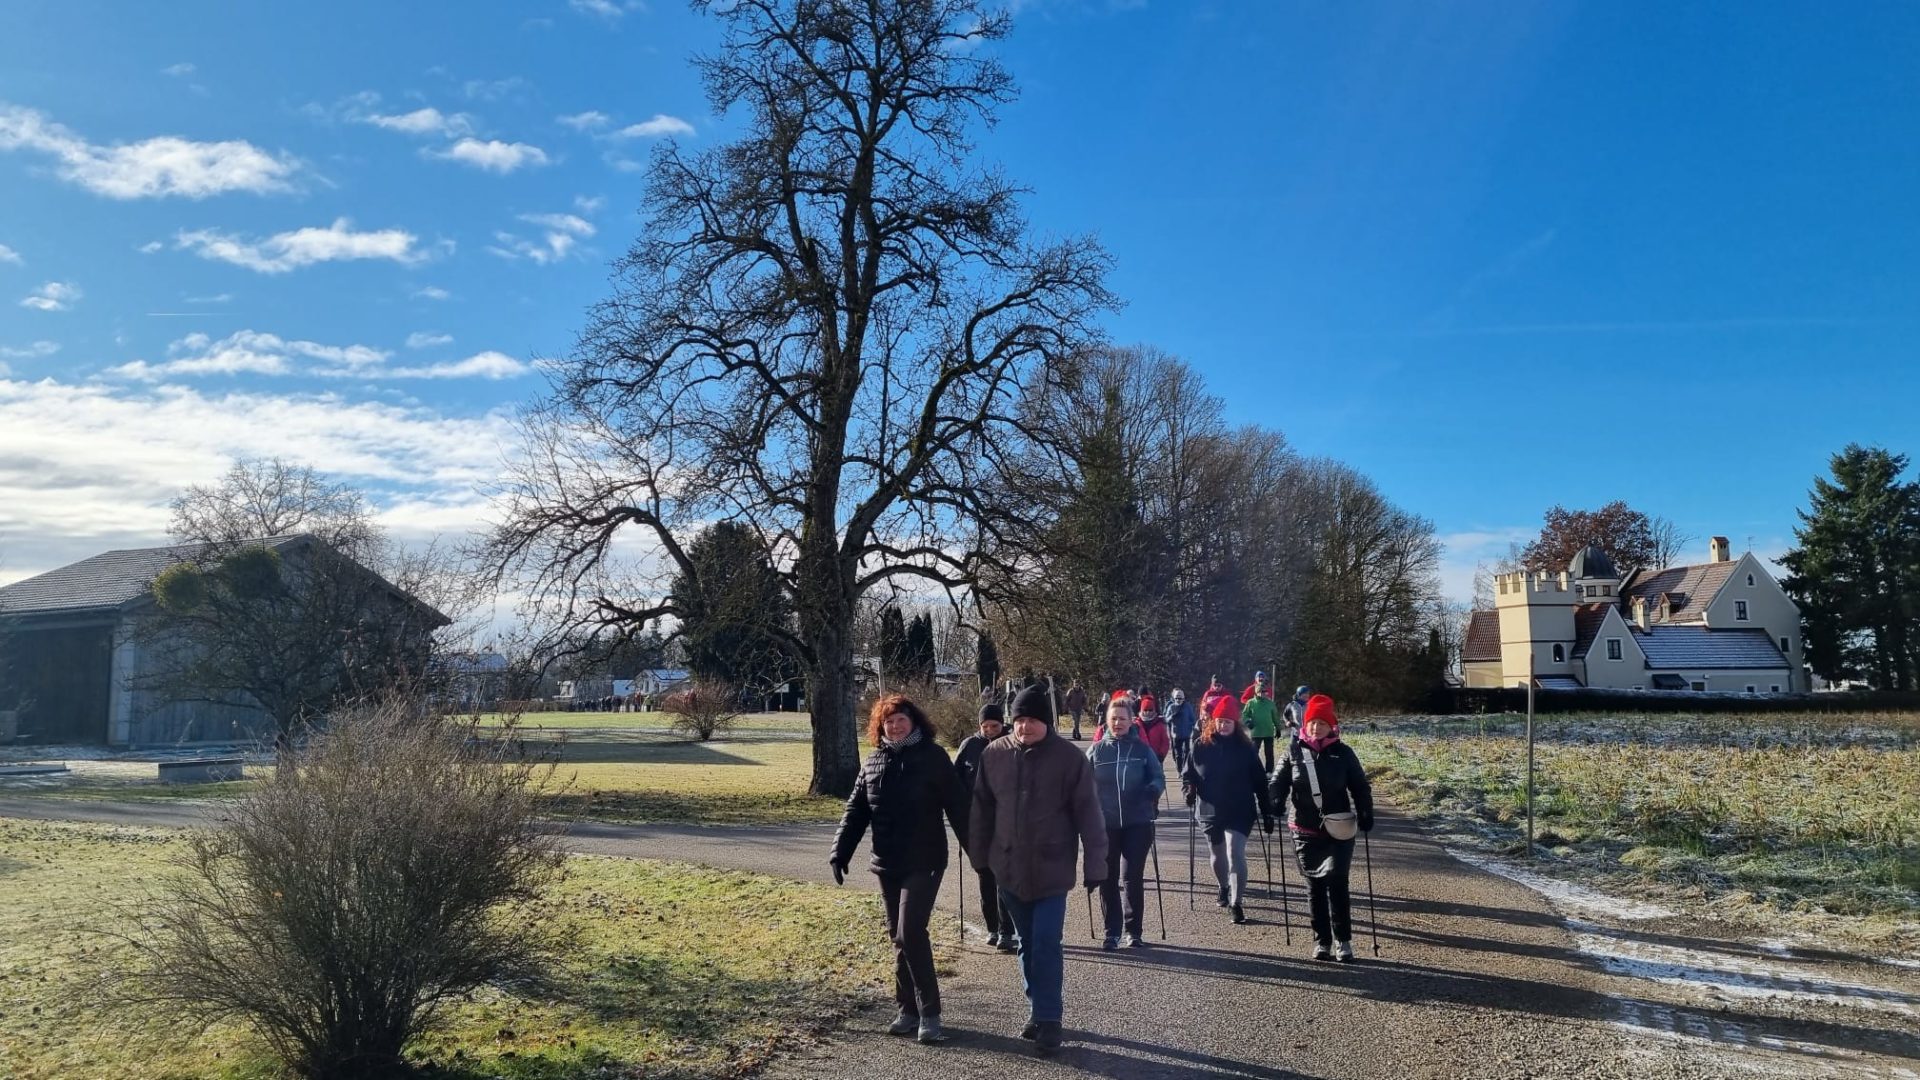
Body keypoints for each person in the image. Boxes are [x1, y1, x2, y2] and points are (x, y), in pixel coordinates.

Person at [969, 683, 1107, 1055]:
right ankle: (1037, 1006)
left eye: (1032, 720)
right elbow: (981, 810)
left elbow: (1089, 814)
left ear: (1047, 721)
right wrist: (980, 858)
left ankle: (1049, 1018)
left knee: (1046, 941)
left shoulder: (1069, 759)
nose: (1025, 726)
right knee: (1027, 943)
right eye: (1019, 720)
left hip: (1052, 868)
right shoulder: (994, 754)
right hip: (1008, 867)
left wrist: (1096, 863)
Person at [830, 693, 971, 1044]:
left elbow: (959, 807)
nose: (894, 726)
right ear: (880, 727)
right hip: (887, 863)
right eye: (888, 722)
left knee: (910, 932)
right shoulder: (874, 761)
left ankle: (930, 1013)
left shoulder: (933, 757)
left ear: (914, 722)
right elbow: (856, 811)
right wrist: (840, 853)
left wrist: (979, 856)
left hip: (925, 860)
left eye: (901, 720)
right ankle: (907, 1009)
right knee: (898, 936)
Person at [1270, 694, 1374, 962]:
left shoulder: (1344, 753)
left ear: (1332, 726)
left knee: (1338, 881)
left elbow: (1360, 786)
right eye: (1312, 723)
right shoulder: (1293, 751)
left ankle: (1343, 941)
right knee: (1314, 886)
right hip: (1304, 830)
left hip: (1338, 829)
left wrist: (1365, 811)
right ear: (1305, 724)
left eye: (1322, 723)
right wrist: (1274, 802)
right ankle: (1322, 942)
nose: (1316, 728)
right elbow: (1278, 782)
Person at [1180, 693, 1273, 925]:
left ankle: (1236, 902)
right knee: (1217, 853)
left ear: (1235, 724)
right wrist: (1189, 790)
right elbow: (1188, 775)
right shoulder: (1200, 746)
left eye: (1228, 722)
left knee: (1235, 852)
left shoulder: (1246, 749)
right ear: (1214, 721)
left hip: (1240, 808)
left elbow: (1260, 782)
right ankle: (1223, 886)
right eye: (1220, 721)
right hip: (1209, 809)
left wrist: (1267, 811)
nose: (1223, 726)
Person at [1086, 695, 1165, 949]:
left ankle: (1134, 931)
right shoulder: (1097, 750)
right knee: (1107, 877)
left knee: (1131, 876)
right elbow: (1082, 783)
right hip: (1105, 824)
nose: (1117, 723)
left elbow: (1158, 777)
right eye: (1113, 719)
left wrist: (1152, 789)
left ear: (1132, 721)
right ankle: (1111, 932)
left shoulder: (1143, 750)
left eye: (1122, 718)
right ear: (1106, 721)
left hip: (1138, 822)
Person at [955, 703, 1018, 952]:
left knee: (1002, 874)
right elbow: (954, 780)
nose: (990, 730)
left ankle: (1006, 931)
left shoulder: (1014, 743)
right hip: (975, 823)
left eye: (995, 725)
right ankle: (992, 927)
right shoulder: (969, 745)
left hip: (1005, 821)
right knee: (985, 874)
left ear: (1002, 723)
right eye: (985, 726)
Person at [1241, 670, 1281, 773]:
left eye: (1265, 692)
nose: (1263, 694)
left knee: (1269, 753)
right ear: (1257, 692)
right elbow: (1244, 715)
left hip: (1268, 731)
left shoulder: (1270, 703)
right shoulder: (1251, 703)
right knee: (1254, 753)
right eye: (1261, 692)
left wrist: (1278, 729)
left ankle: (1269, 771)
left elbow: (1275, 717)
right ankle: (1253, 771)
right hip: (1256, 732)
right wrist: (1248, 721)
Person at [1164, 688, 1197, 773]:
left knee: (1187, 752)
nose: (1178, 700)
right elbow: (1166, 719)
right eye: (1176, 698)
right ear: (1174, 698)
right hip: (1176, 734)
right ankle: (1179, 770)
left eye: (1180, 698)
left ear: (1183, 698)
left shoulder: (1187, 707)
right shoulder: (1171, 707)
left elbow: (1193, 719)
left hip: (1186, 733)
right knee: (1178, 754)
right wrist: (1172, 717)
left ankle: (1185, 769)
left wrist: (1192, 727)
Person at [1135, 696, 1172, 763]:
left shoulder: (1160, 724)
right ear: (1141, 710)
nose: (1148, 712)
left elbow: (1165, 742)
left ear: (1154, 710)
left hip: (1156, 758)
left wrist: (1161, 755)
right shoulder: (1136, 724)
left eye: (1150, 710)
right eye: (1145, 710)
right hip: (1140, 759)